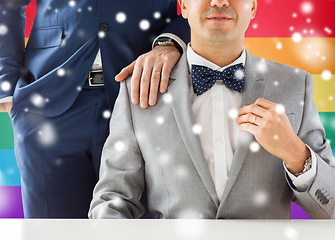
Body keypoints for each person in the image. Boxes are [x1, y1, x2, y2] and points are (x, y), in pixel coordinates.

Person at [89, 0, 335, 219]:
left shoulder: (295, 85)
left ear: (254, 7)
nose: (220, 2)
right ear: (183, 6)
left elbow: (331, 206)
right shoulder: (139, 89)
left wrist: (296, 154)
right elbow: (112, 201)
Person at [0, 0, 190, 218]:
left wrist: (172, 41)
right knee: (52, 234)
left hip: (144, 98)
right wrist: (7, 89)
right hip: (47, 104)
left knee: (139, 230)